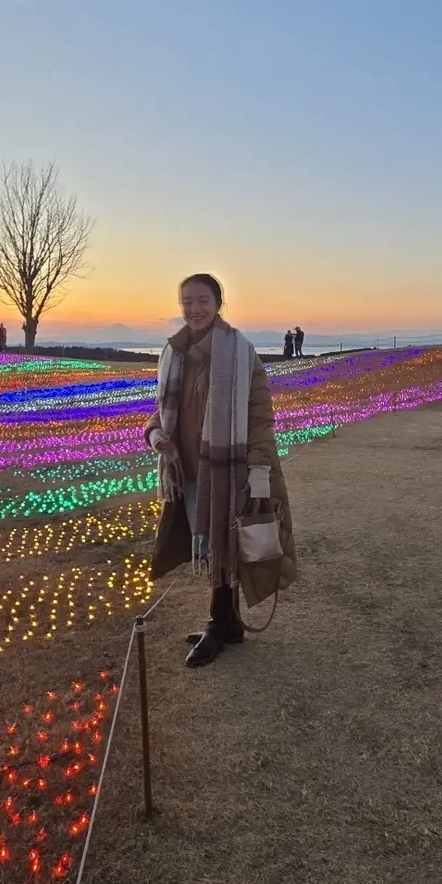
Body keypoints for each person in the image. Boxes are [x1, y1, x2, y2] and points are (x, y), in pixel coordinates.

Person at [145, 274, 297, 667]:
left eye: (202, 301)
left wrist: (259, 470)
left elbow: (260, 416)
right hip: (192, 470)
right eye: (187, 302)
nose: (194, 309)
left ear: (219, 303)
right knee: (214, 546)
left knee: (225, 546)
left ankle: (219, 623)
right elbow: (163, 411)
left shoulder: (240, 351)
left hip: (231, 469)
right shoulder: (174, 352)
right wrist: (157, 435)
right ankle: (229, 624)